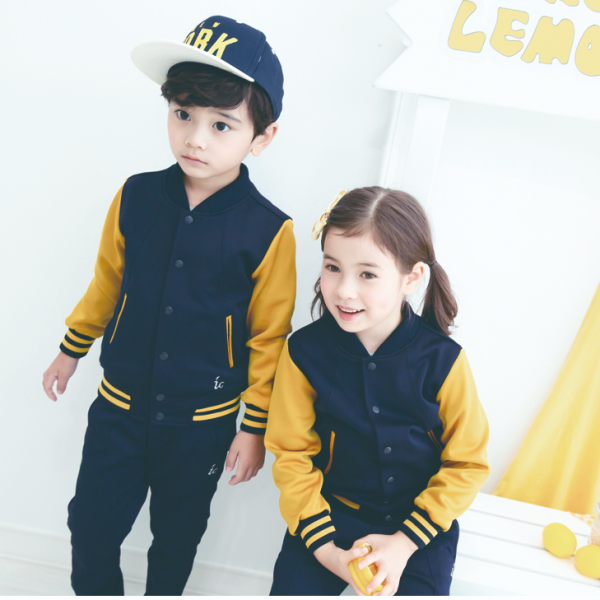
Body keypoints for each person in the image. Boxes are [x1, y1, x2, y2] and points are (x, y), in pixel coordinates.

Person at [41, 16, 295, 596]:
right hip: (118, 411)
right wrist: (70, 349)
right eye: (183, 115)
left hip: (201, 425)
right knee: (90, 527)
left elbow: (268, 338)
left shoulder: (268, 230)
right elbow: (108, 282)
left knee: (177, 539)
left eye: (221, 124)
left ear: (261, 138)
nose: (195, 138)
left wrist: (253, 427)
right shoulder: (135, 196)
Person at [265, 187, 490, 596]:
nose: (344, 290)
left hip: (419, 527)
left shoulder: (444, 360)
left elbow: (468, 463)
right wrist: (329, 553)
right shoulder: (303, 353)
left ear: (412, 277)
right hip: (327, 517)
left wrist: (404, 544)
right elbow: (291, 454)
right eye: (332, 267)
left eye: (367, 274)